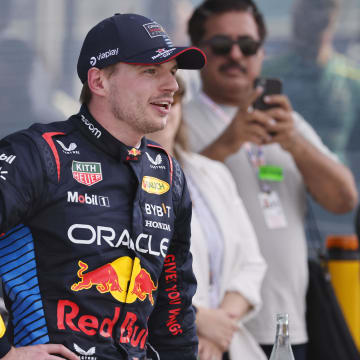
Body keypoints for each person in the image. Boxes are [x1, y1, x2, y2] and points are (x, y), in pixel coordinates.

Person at [0, 13, 206, 360]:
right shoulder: (38, 154)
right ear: (99, 81)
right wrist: (5, 351)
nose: (171, 86)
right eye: (150, 71)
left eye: (172, 72)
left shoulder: (167, 174)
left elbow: (174, 308)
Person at [183, 1, 358, 359]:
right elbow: (166, 199)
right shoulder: (177, 118)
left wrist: (295, 143)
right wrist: (228, 143)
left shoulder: (284, 117)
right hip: (218, 329)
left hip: (290, 324)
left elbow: (344, 199)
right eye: (221, 45)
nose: (235, 55)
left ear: (262, 53)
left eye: (247, 46)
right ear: (198, 52)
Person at [148, 75, 267, 360]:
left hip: (226, 346)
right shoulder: (117, 180)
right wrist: (198, 320)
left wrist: (219, 328)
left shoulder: (213, 173)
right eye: (158, 100)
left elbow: (252, 263)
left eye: (175, 98)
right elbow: (126, 274)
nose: (169, 107)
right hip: (161, 345)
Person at [262, 0, 360, 161]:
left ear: (332, 19)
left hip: (335, 178)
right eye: (306, 11)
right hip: (281, 175)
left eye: (323, 10)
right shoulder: (267, 74)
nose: (314, 19)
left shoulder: (351, 81)